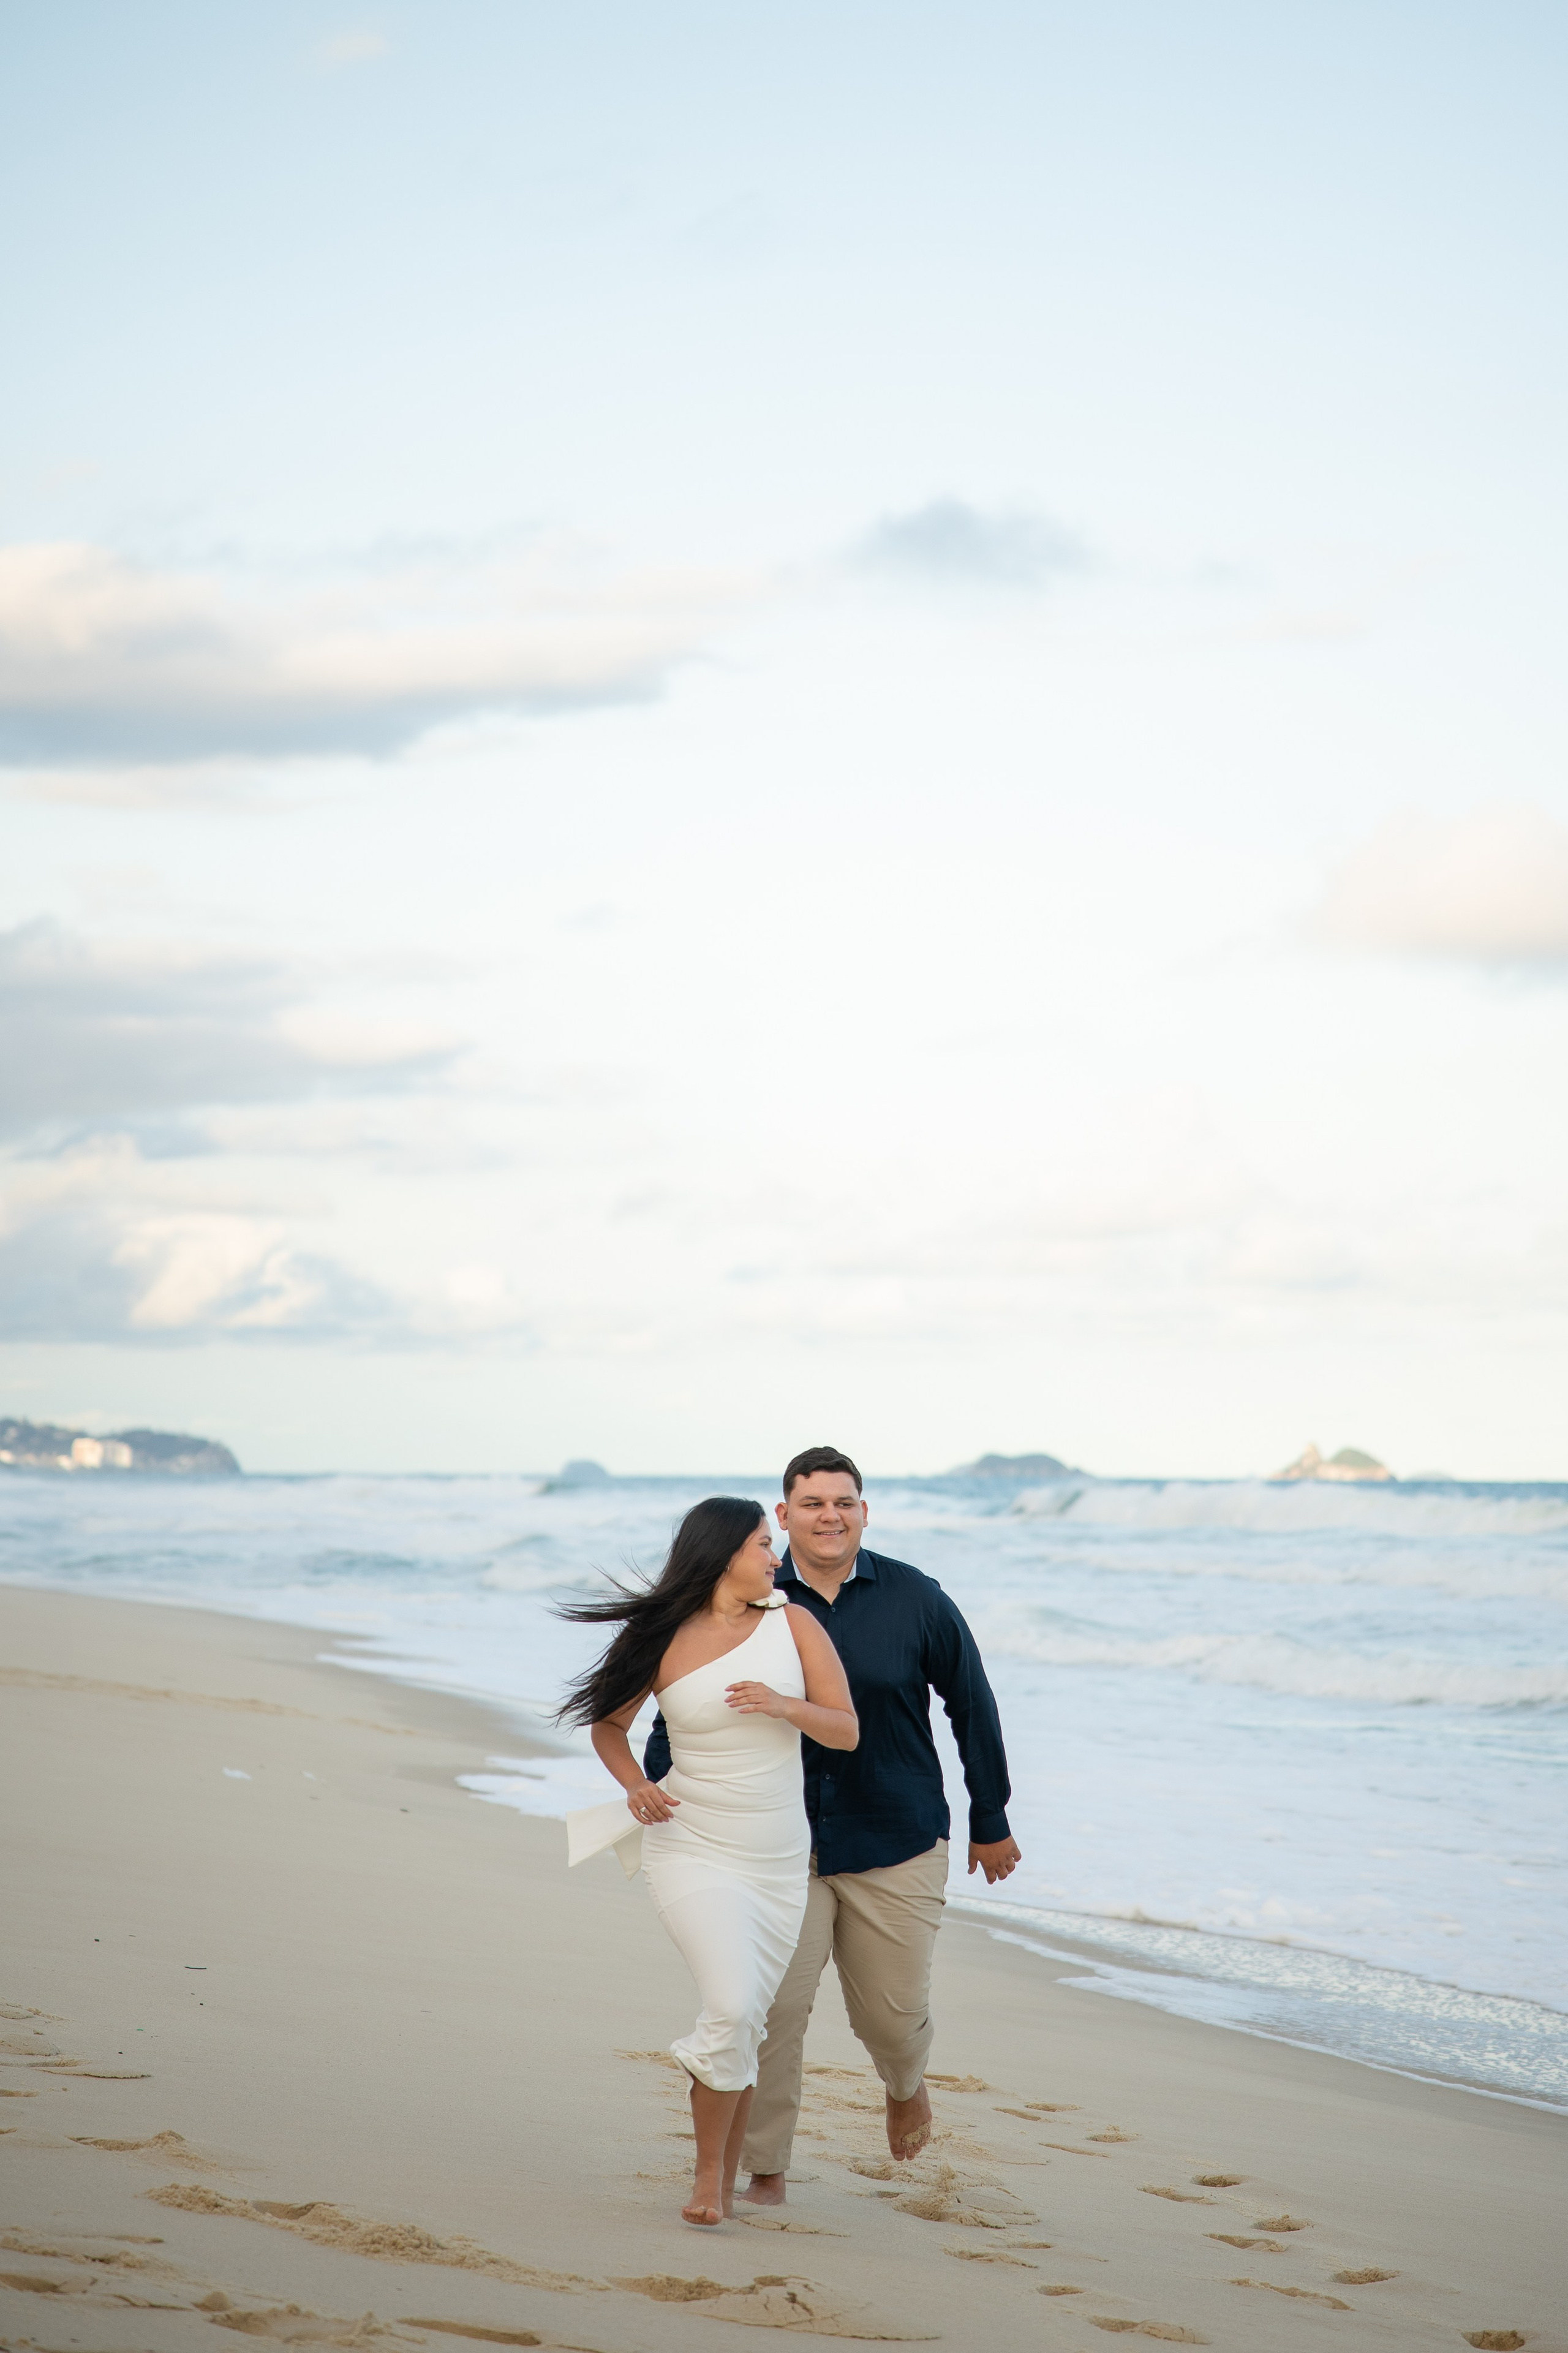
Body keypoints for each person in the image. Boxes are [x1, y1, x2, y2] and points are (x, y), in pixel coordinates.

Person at [643, 1447, 1020, 2204]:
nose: (829, 1516)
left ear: (864, 1511)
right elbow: (686, 1708)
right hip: (776, 1842)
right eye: (812, 1503)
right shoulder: (747, 1594)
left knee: (892, 2014)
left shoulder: (917, 1597)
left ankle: (904, 2079)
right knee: (771, 2011)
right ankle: (766, 2171)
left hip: (896, 1830)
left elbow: (971, 1703)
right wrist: (662, 1792)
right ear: (781, 1518)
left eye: (843, 1502)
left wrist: (990, 1816)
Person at [558, 1495, 858, 2228]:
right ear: (723, 1551)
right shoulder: (660, 1635)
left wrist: (784, 1706)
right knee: (729, 2004)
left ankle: (723, 2184)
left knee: (747, 2018)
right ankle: (703, 2178)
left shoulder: (794, 1624)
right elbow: (609, 1726)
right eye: (763, 1543)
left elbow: (847, 1730)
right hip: (691, 1843)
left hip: (777, 1856)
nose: (775, 1556)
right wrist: (636, 1787)